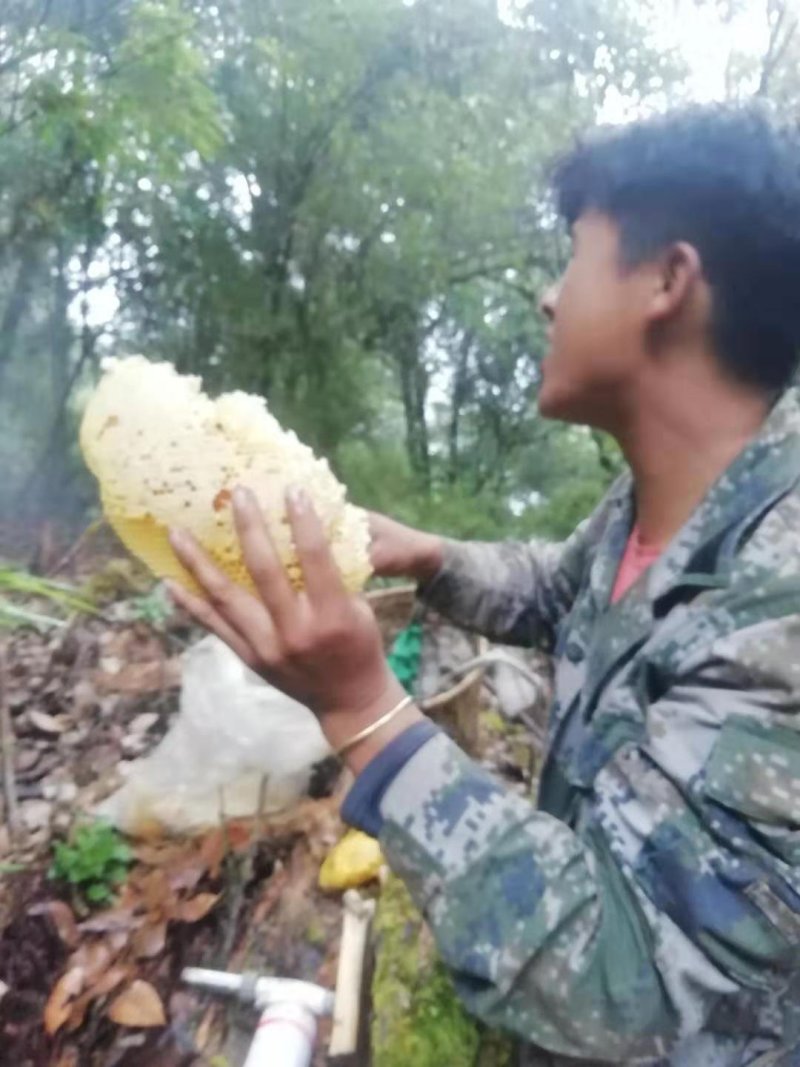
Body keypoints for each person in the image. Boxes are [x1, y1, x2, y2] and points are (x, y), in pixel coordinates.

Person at [166, 105, 800, 1066]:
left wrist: (364, 711)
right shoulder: (660, 501)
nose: (548, 300)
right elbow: (562, 590)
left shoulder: (782, 595)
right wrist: (432, 555)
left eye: (574, 259)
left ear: (668, 281)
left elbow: (649, 990)